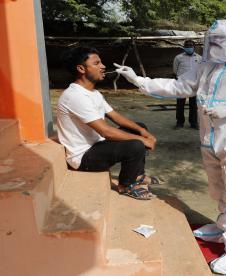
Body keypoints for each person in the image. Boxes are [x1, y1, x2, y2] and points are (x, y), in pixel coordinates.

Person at [115, 19, 226, 274]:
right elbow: (179, 86)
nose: (214, 46)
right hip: (210, 139)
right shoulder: (205, 67)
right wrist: (140, 80)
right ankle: (224, 227)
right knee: (219, 187)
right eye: (211, 41)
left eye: (220, 41)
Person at [57, 46, 158, 200]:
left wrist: (143, 132)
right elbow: (106, 132)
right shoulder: (75, 96)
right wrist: (143, 140)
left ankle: (138, 175)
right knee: (135, 145)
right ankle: (126, 185)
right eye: (97, 63)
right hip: (83, 157)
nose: (103, 66)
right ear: (81, 68)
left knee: (139, 128)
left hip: (98, 145)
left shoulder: (93, 93)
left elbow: (115, 116)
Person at [173, 40, 202, 129]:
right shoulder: (178, 57)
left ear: (194, 47)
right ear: (184, 47)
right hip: (182, 83)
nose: (189, 47)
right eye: (187, 46)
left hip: (194, 84)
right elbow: (175, 70)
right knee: (180, 104)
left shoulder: (200, 58)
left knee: (193, 105)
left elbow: (201, 70)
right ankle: (179, 122)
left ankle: (193, 123)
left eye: (190, 46)